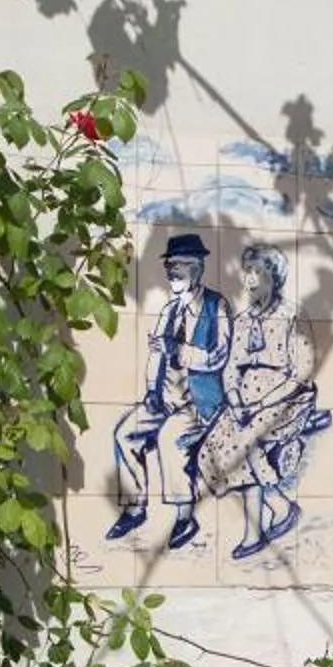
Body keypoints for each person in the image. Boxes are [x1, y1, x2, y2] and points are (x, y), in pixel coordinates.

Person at [195, 241, 330, 558]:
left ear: (275, 277)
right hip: (244, 401)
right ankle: (280, 507)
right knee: (209, 450)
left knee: (244, 444)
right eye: (247, 272)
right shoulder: (242, 320)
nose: (250, 279)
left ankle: (255, 530)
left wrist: (258, 404)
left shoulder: (292, 314)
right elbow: (230, 368)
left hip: (286, 399)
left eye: (258, 271)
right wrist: (234, 398)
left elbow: (301, 373)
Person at [108, 232, 232, 549]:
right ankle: (135, 508)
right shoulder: (169, 310)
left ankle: (184, 518)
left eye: (179, 265)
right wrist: (152, 390)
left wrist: (176, 350)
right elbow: (155, 357)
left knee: (169, 439)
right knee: (124, 432)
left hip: (199, 404)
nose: (172, 272)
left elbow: (218, 357)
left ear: (197, 267)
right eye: (170, 266)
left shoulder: (216, 306)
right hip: (164, 400)